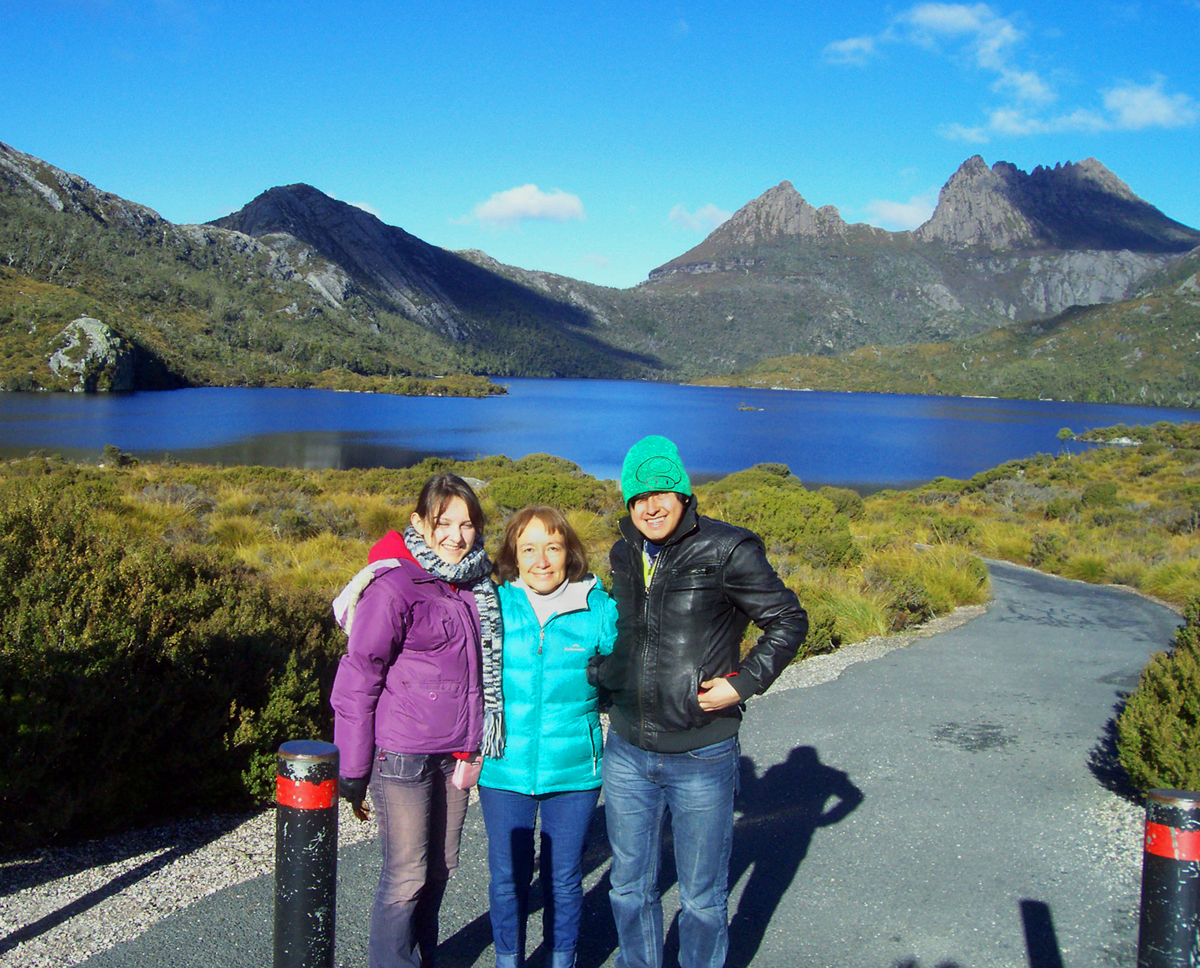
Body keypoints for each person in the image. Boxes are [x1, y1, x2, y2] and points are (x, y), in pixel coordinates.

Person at [595, 435, 808, 968]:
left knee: (703, 900)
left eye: (663, 491)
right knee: (627, 889)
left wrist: (745, 682)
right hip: (627, 747)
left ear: (684, 494)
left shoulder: (727, 548)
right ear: (628, 502)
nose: (651, 505)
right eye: (639, 496)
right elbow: (626, 632)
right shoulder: (623, 550)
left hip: (701, 753)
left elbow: (788, 619)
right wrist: (604, 677)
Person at [330, 473, 505, 968]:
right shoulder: (395, 585)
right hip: (402, 754)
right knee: (406, 874)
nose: (455, 535)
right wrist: (354, 769)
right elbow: (358, 678)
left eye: (467, 524)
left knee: (441, 868)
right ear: (418, 523)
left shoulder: (477, 584)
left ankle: (424, 959)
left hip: (457, 754)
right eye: (442, 522)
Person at [479, 505, 618, 968]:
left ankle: (563, 960)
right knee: (507, 879)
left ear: (569, 553)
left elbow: (641, 662)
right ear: (513, 556)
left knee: (563, 877)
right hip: (503, 767)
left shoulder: (598, 608)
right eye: (529, 548)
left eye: (553, 548)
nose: (542, 560)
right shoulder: (494, 603)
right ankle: (508, 961)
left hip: (575, 770)